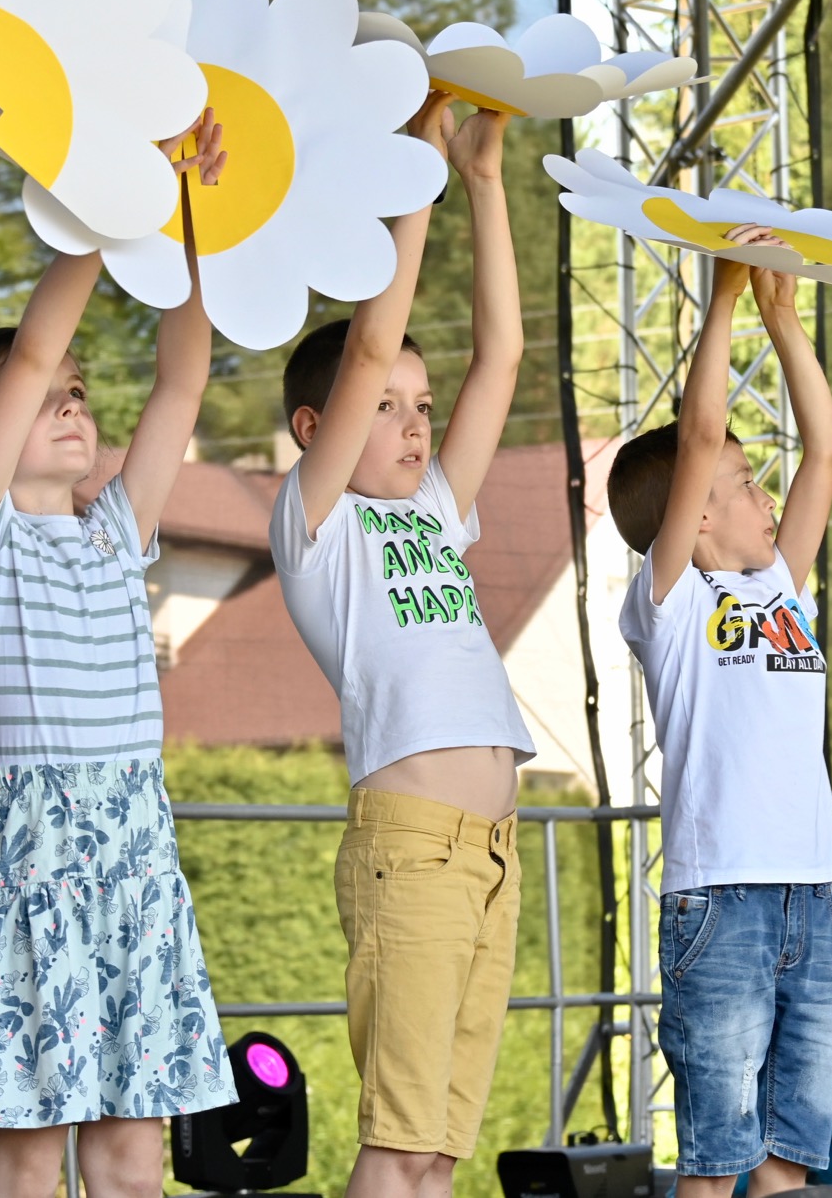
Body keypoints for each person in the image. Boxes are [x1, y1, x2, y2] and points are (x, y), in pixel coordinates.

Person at [0, 114, 235, 1195]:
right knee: (24, 1140)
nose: (69, 407)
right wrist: (107, 204)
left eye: (77, 401)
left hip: (136, 848)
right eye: (45, 401)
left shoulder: (113, 530)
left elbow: (183, 376)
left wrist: (185, 202)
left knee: (128, 1144)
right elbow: (39, 349)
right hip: (37, 856)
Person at [269, 93, 529, 1198]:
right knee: (394, 1136)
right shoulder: (317, 517)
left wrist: (480, 180)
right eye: (385, 404)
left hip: (491, 848)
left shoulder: (429, 504)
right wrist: (414, 184)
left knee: (435, 1146)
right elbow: (372, 334)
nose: (414, 421)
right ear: (314, 428)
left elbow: (503, 356)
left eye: (418, 405)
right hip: (412, 842)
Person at [608, 232, 832, 1198]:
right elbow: (700, 437)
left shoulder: (780, 583)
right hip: (723, 901)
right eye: (747, 486)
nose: (766, 495)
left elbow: (826, 449)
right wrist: (721, 301)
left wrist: (783, 320)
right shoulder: (669, 601)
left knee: (793, 1150)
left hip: (812, 891)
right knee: (718, 1157)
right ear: (695, 519)